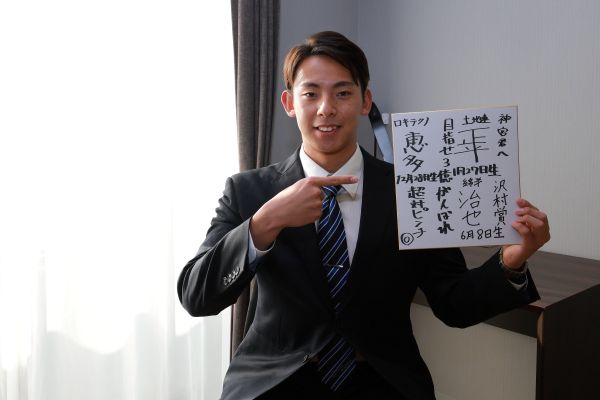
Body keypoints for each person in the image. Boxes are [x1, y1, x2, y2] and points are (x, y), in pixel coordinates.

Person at [177, 31, 550, 400]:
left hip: (382, 381)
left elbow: (454, 304)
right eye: (311, 94)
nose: (326, 108)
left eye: (342, 93)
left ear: (364, 100)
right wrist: (265, 222)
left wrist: (511, 262)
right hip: (275, 382)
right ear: (289, 103)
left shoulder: (410, 190)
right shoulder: (249, 191)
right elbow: (197, 296)